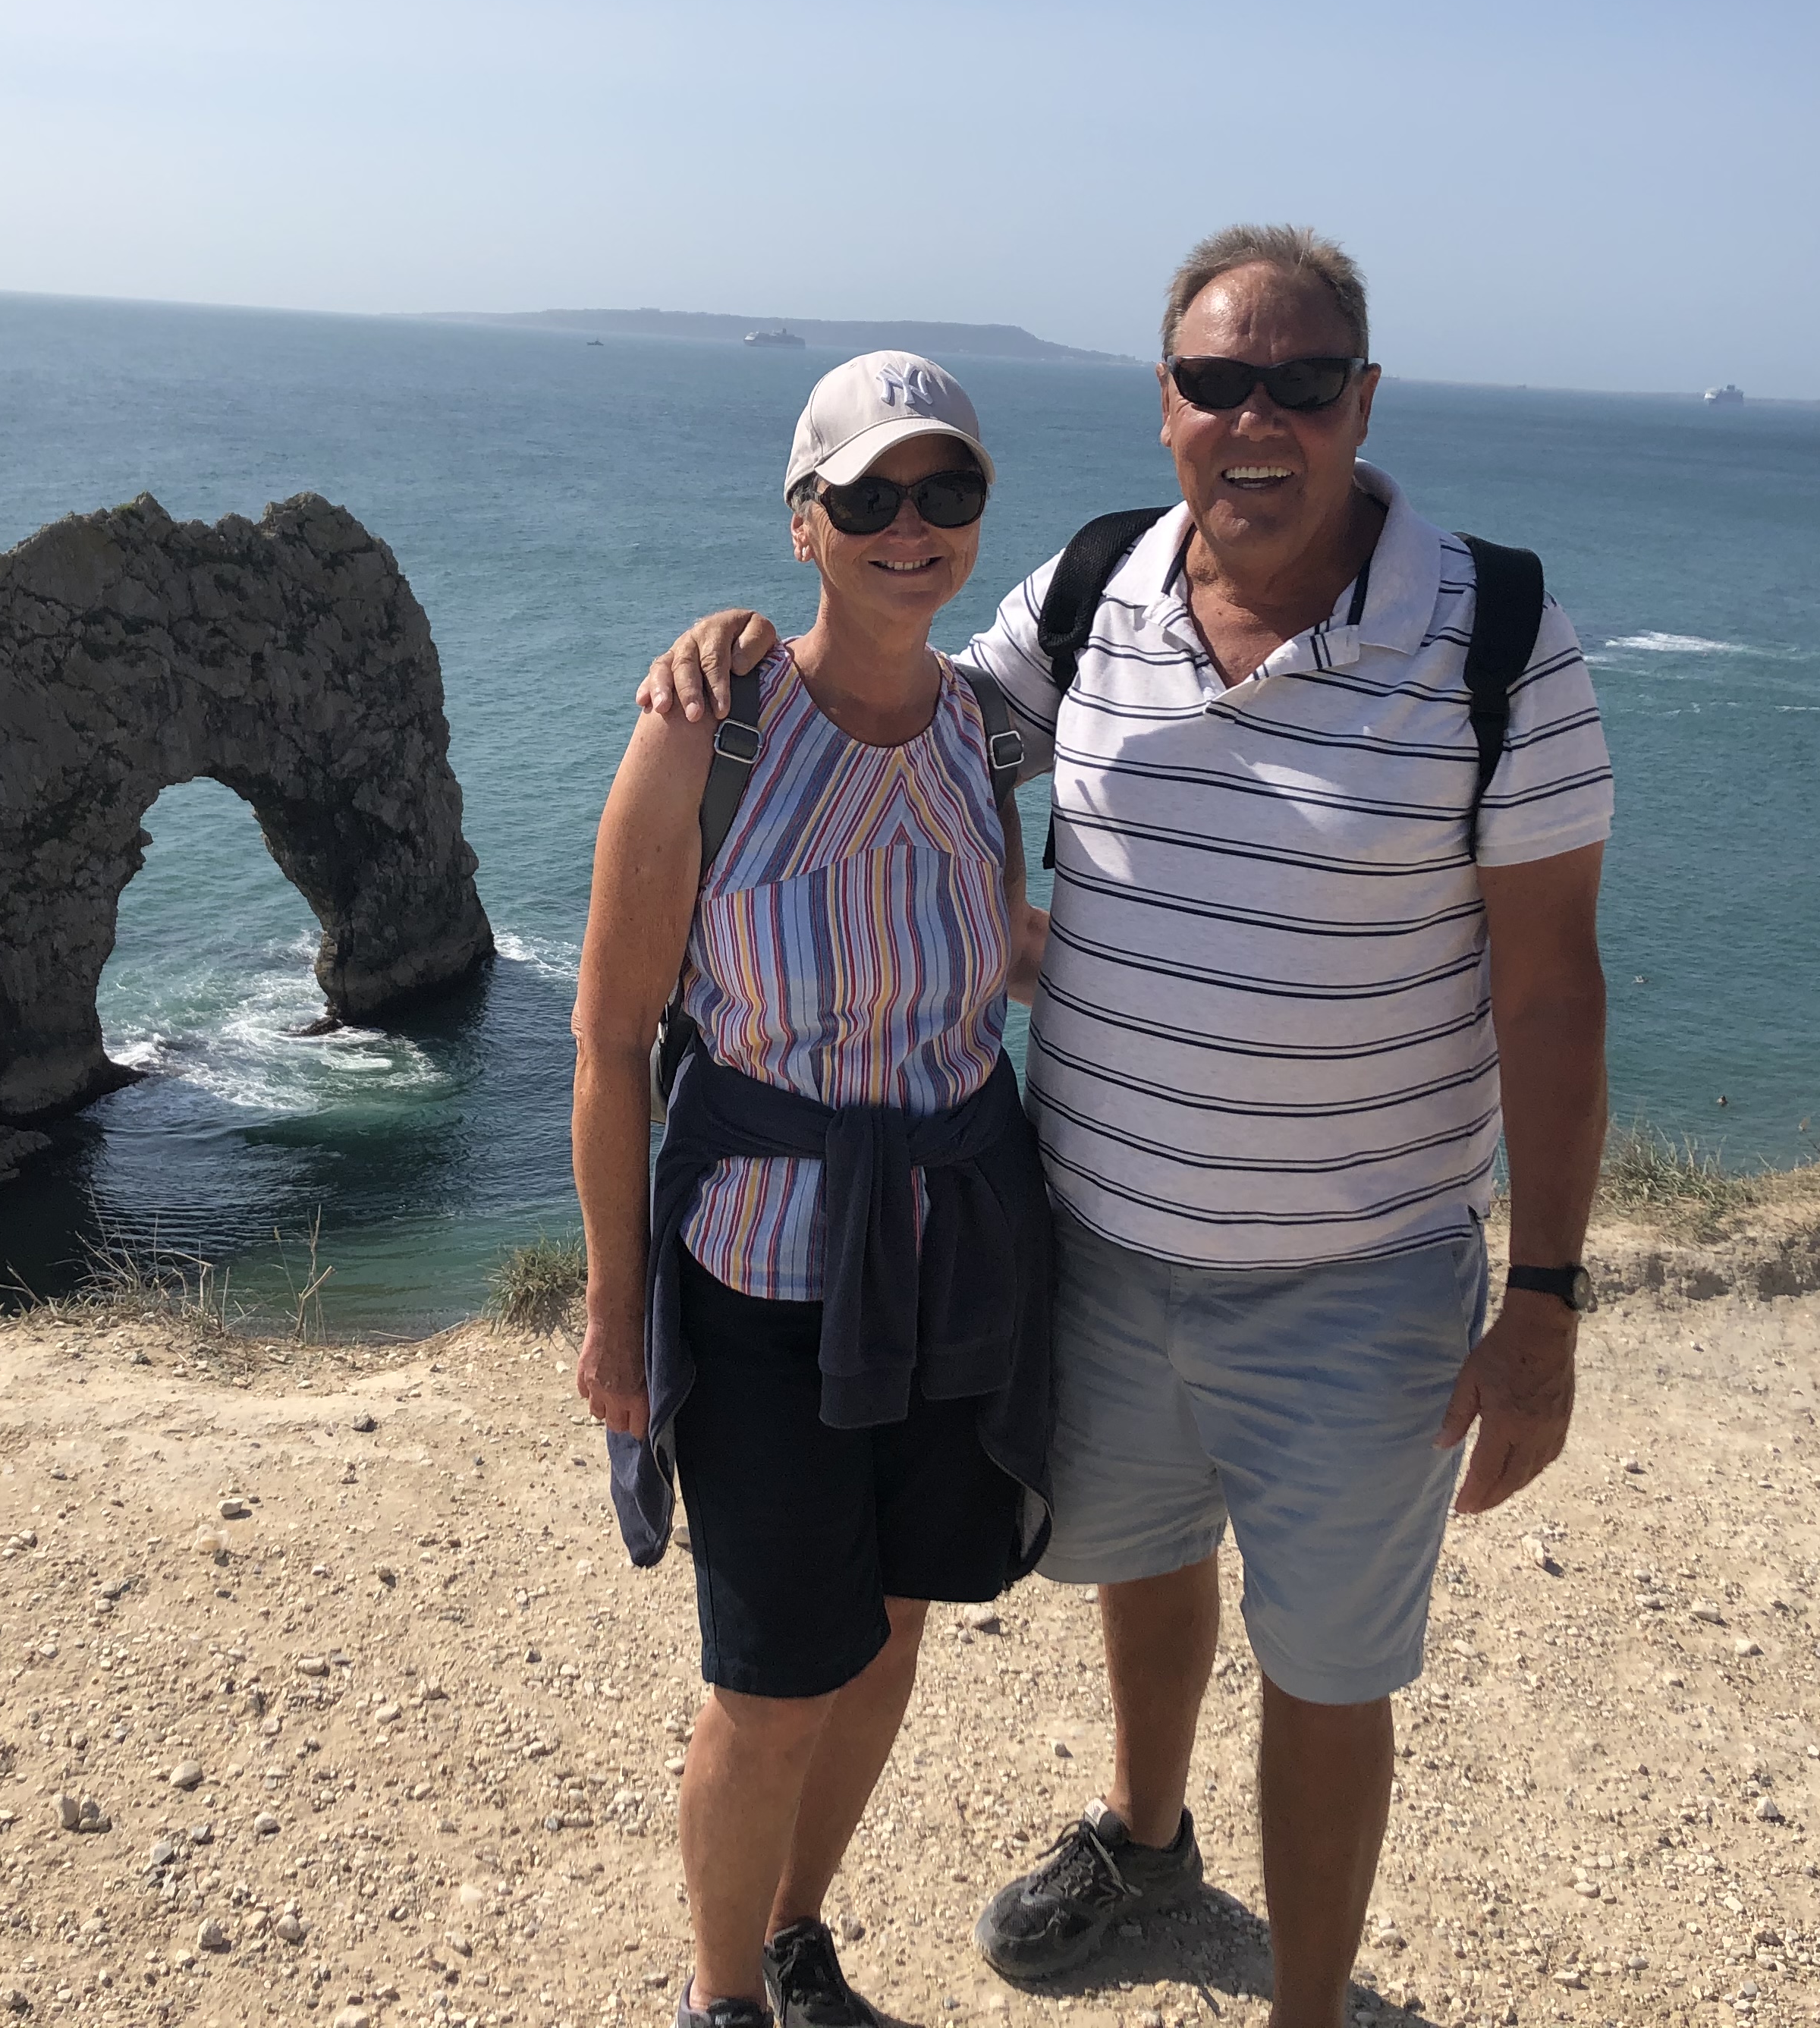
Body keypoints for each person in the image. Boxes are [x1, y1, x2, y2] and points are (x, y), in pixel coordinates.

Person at [639, 228, 1614, 2028]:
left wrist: (1544, 1297)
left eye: (1300, 383)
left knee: (1328, 1671)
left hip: (1358, 1279)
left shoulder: (1495, 636)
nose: (1259, 420)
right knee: (1144, 1560)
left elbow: (1551, 986)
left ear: (1361, 403)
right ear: (1163, 406)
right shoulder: (1095, 596)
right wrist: (735, 650)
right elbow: (900, 709)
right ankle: (1147, 1843)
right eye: (1216, 382)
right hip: (1089, 1245)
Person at [574, 351, 1056, 2028]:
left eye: (947, 493)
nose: (909, 529)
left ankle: (797, 1940)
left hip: (944, 1268)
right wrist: (616, 1311)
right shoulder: (708, 732)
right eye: (867, 497)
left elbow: (998, 956)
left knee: (895, 1634)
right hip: (763, 1282)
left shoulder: (989, 733)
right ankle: (721, 2005)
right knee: (774, 1682)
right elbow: (608, 1039)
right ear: (805, 525)